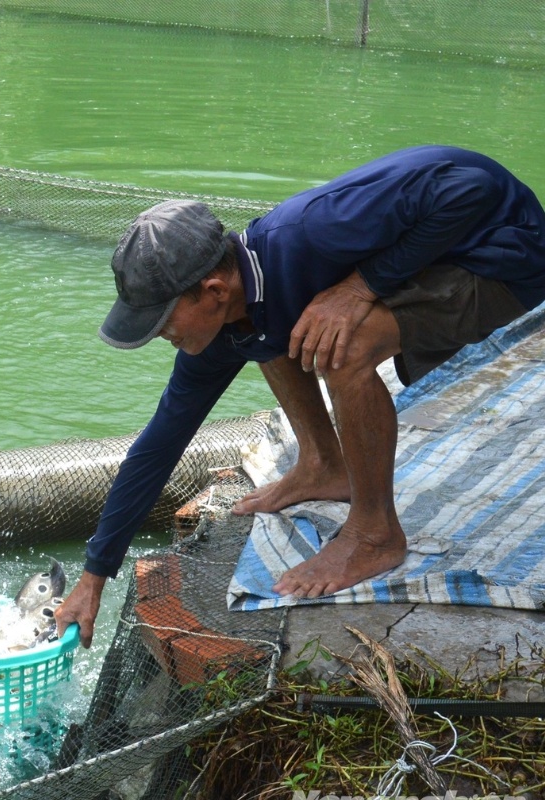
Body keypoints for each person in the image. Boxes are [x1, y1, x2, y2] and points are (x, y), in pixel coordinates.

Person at [54, 145, 545, 648]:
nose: (160, 335)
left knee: (345, 346)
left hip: (506, 252)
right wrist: (94, 576)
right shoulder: (234, 311)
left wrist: (359, 288)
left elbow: (473, 187)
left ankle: (375, 533)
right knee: (263, 331)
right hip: (433, 256)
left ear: (215, 290)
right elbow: (160, 443)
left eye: (162, 321)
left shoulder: (313, 229)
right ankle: (323, 465)